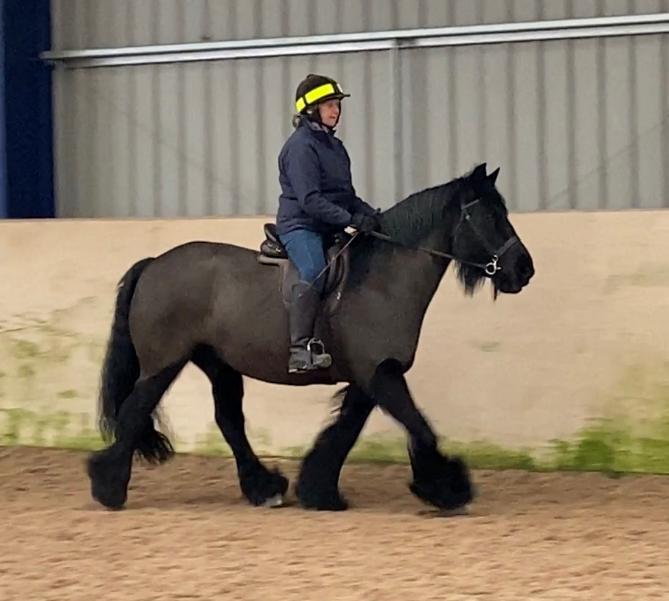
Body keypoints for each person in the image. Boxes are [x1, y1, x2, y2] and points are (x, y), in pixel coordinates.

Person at [275, 73, 380, 374]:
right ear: (311, 110)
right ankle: (299, 350)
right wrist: (350, 220)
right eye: (329, 105)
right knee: (313, 269)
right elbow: (310, 200)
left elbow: (346, 196)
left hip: (328, 225)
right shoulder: (301, 147)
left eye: (337, 105)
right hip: (301, 225)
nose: (336, 111)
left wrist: (372, 216)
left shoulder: (335, 147)